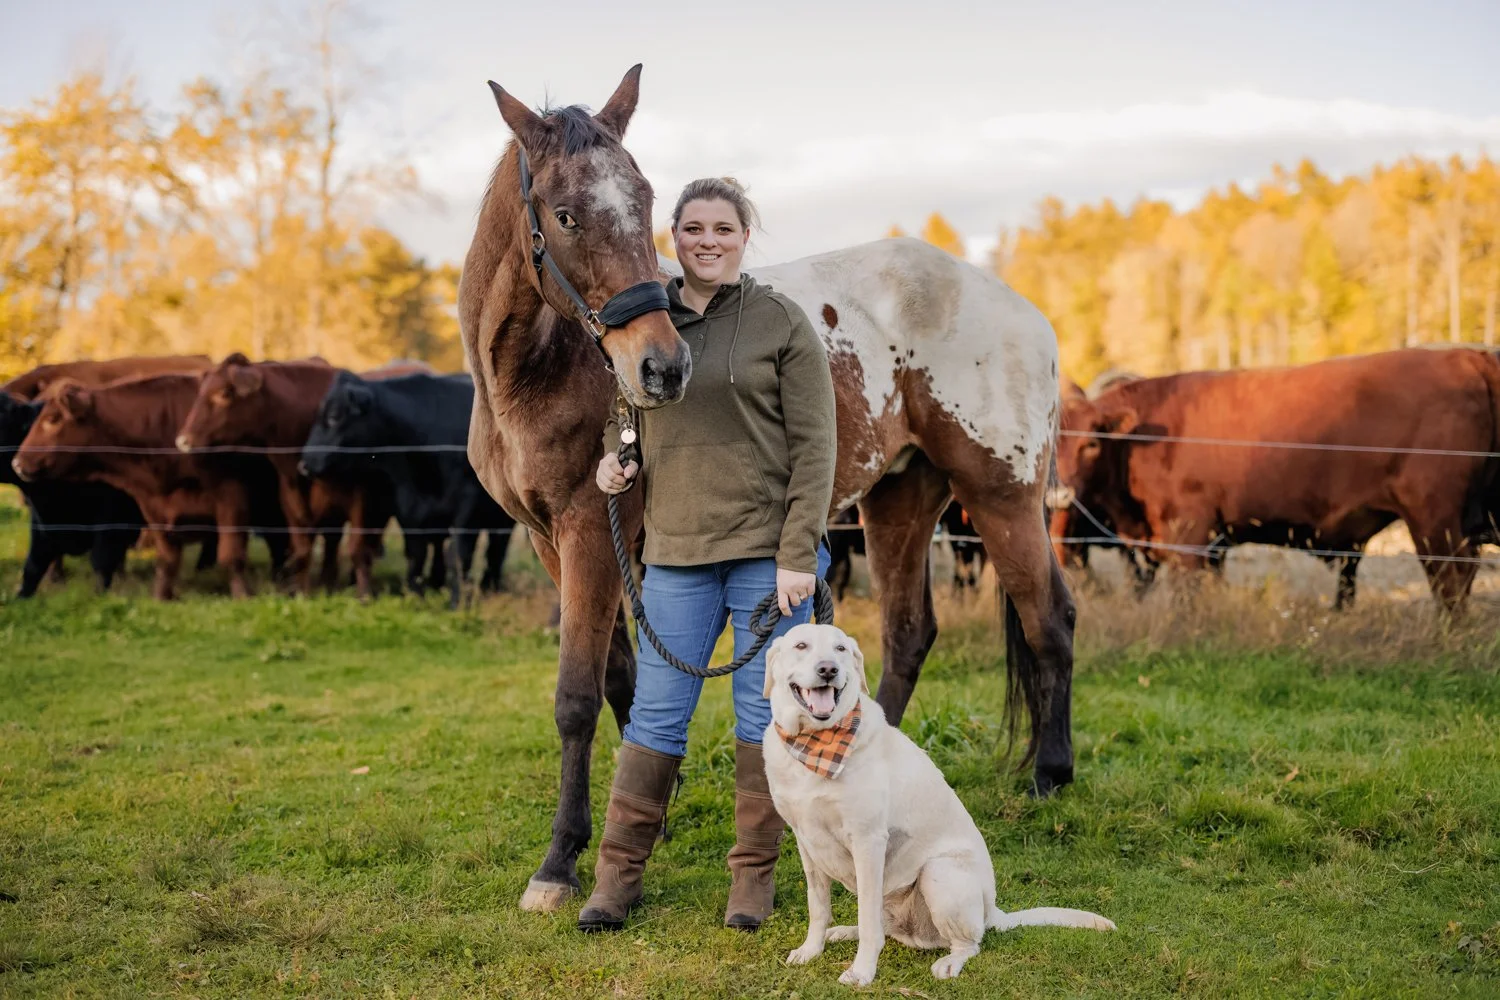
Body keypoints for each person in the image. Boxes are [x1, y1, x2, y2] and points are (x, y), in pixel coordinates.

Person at [578, 177, 837, 934]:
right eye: (693, 229)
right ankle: (615, 881)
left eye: (723, 228)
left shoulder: (779, 321)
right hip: (678, 555)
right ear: (675, 237)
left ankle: (752, 881)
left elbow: (816, 449)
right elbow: (627, 417)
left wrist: (798, 556)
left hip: (768, 558)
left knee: (763, 716)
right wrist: (614, 461)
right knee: (657, 715)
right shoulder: (643, 315)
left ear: (743, 238)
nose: (708, 241)